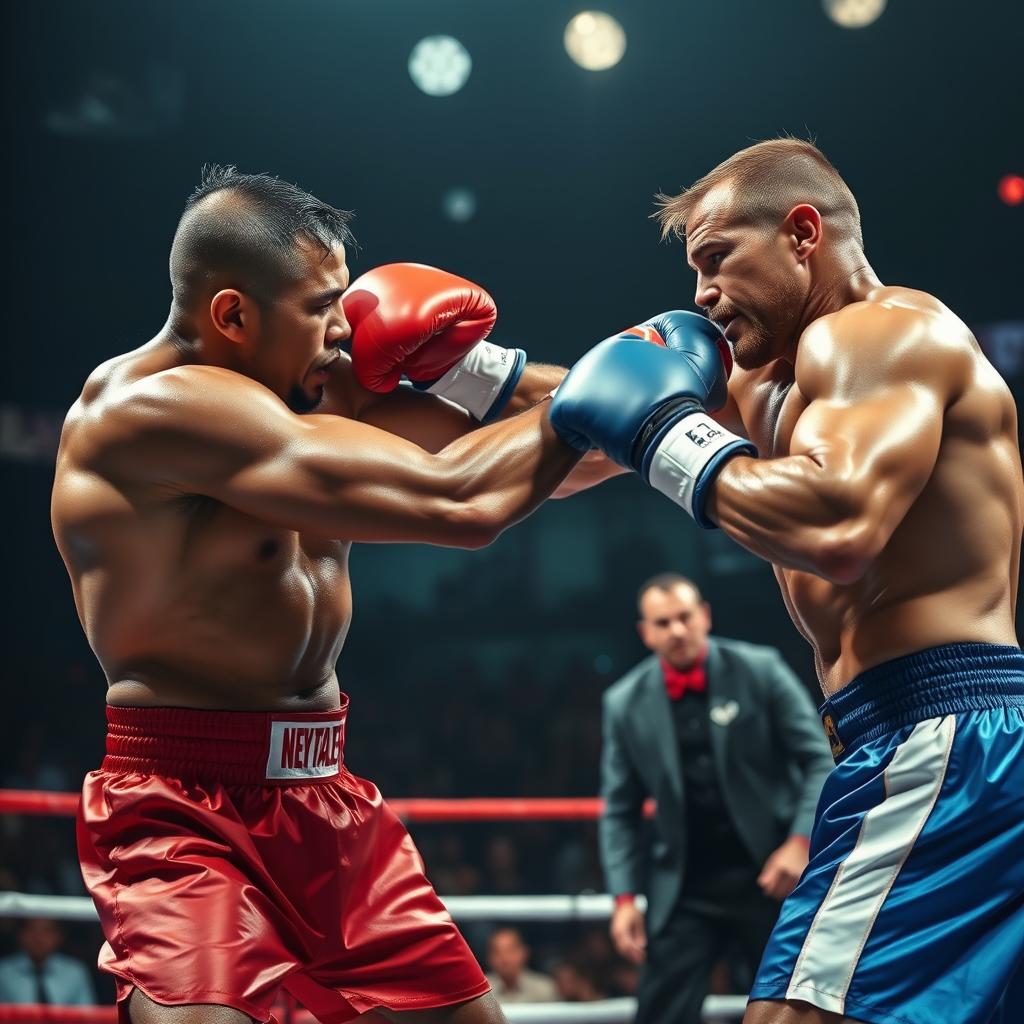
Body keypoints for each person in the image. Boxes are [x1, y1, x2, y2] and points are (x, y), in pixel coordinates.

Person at [51, 164, 624, 1024]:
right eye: (322, 307)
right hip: (181, 807)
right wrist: (630, 378)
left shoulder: (321, 386)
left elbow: (568, 456)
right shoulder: (149, 413)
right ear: (233, 314)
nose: (345, 329)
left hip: (324, 793)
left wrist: (485, 377)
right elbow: (460, 500)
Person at [548, 138, 1024, 1024]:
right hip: (913, 740)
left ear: (802, 232)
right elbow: (589, 414)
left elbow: (837, 522)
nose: (700, 294)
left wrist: (663, 436)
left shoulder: (883, 333)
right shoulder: (774, 385)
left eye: (717, 258)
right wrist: (460, 372)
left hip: (943, 739)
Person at [601, 573, 832, 1024]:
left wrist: (800, 842)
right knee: (659, 1013)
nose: (677, 631)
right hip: (685, 886)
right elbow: (620, 808)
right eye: (663, 622)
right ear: (645, 633)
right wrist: (624, 898)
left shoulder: (760, 669)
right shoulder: (624, 701)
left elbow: (820, 759)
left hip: (769, 875)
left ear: (704, 616)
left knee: (796, 1009)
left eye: (684, 617)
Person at [0, 918, 96, 1006]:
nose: (38, 938)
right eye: (32, 930)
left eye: (47, 931)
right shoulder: (3, 972)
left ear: (59, 936)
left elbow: (87, 1015)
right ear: (21, 934)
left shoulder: (75, 972)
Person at [484, 928, 558, 1004]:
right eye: (497, 952)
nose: (504, 958)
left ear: (524, 952)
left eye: (511, 950)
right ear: (489, 957)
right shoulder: (481, 992)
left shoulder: (544, 988)